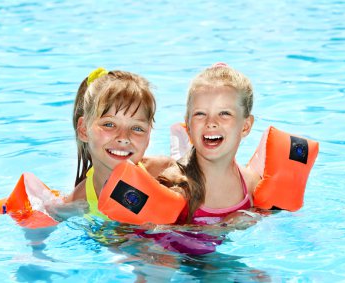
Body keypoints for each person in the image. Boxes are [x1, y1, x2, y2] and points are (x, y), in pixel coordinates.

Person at [63, 67, 177, 218]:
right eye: (109, 124)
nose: (123, 137)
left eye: (137, 128)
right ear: (84, 130)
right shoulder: (78, 202)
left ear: (148, 134)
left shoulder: (163, 173)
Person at [169, 63, 261, 225]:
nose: (211, 122)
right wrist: (223, 227)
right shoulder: (175, 185)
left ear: (246, 126)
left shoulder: (251, 184)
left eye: (224, 113)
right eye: (200, 114)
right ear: (188, 126)